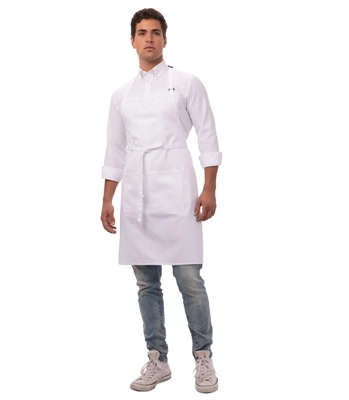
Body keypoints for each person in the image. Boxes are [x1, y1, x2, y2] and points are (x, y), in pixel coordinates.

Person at [100, 8, 222, 394]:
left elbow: (207, 136)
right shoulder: (121, 96)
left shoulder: (186, 83)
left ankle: (203, 356)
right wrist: (107, 199)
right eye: (142, 33)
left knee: (190, 280)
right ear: (132, 41)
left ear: (165, 40)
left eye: (155, 32)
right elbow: (115, 150)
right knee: (146, 284)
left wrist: (209, 188)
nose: (149, 38)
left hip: (179, 191)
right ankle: (158, 358)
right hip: (138, 196)